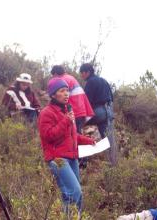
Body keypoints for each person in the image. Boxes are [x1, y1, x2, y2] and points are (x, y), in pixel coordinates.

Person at [38, 78, 95, 213]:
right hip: (57, 159)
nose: (66, 94)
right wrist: (65, 121)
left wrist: (89, 140)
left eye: (67, 90)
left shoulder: (67, 111)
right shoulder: (46, 112)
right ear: (53, 95)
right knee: (75, 192)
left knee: (71, 195)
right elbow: (48, 136)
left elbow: (72, 135)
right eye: (61, 91)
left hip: (72, 157)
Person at [80, 63, 118, 166]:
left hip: (97, 111)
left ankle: (82, 160)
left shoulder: (90, 82)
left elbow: (86, 101)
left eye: (82, 73)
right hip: (108, 111)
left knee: (77, 127)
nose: (81, 76)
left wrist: (82, 117)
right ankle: (114, 165)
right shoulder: (104, 81)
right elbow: (111, 98)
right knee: (109, 139)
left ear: (87, 72)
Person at [50, 65, 94, 133]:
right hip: (81, 110)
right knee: (77, 134)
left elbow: (61, 98)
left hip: (74, 111)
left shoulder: (62, 80)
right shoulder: (70, 77)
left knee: (73, 134)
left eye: (53, 76)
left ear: (55, 74)